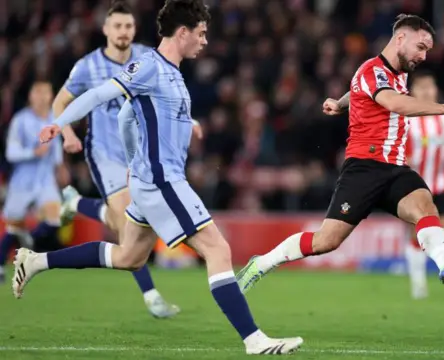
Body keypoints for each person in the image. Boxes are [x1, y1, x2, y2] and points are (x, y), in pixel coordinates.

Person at [14, 0, 303, 354]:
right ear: (182, 33)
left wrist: (139, 157)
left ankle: (35, 261)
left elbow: (125, 118)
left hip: (150, 179)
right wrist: (58, 124)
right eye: (201, 33)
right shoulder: (150, 66)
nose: (205, 41)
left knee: (129, 257)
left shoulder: (171, 72)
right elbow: (100, 94)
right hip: (162, 181)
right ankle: (254, 340)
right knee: (217, 248)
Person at [236, 14, 444, 294]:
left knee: (425, 206)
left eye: (427, 50)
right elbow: (395, 103)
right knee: (326, 241)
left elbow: (359, 87)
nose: (424, 56)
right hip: (364, 169)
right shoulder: (374, 71)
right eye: (421, 47)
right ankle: (261, 264)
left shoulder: (393, 73)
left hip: (394, 168)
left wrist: (341, 103)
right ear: (400, 38)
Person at [51, 0, 184, 319]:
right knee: (128, 225)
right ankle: (151, 296)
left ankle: (77, 204)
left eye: (128, 26)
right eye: (117, 26)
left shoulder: (147, 58)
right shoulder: (87, 67)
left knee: (122, 221)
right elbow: (60, 101)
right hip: (105, 153)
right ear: (106, 30)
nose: (123, 31)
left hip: (140, 153)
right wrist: (67, 134)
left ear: (134, 30)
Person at [404, 71, 444, 299]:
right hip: (415, 185)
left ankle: (439, 267)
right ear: (413, 91)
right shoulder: (407, 118)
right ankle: (418, 283)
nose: (427, 91)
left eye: (430, 86)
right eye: (422, 87)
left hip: (441, 185)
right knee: (417, 232)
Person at [0, 81, 65, 283]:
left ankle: (28, 241)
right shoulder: (20, 120)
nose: (42, 96)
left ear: (51, 95)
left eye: (46, 92)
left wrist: (60, 166)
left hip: (45, 179)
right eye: (37, 92)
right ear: (30, 96)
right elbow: (11, 152)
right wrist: (33, 152)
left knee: (55, 219)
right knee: (14, 227)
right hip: (23, 179)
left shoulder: (55, 119)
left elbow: (57, 149)